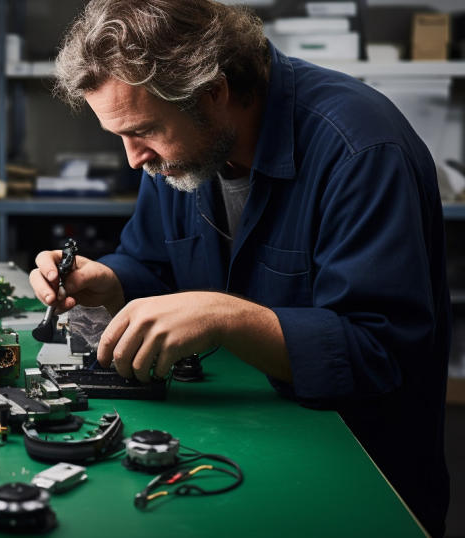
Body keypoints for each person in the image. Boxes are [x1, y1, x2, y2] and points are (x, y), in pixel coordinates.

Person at [29, 0, 450, 534]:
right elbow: (153, 264)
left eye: (144, 131)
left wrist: (225, 316)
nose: (134, 159)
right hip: (229, 445)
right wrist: (109, 280)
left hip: (355, 480)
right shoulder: (184, 148)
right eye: (121, 137)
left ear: (214, 93)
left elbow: (380, 351)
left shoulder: (361, 149)